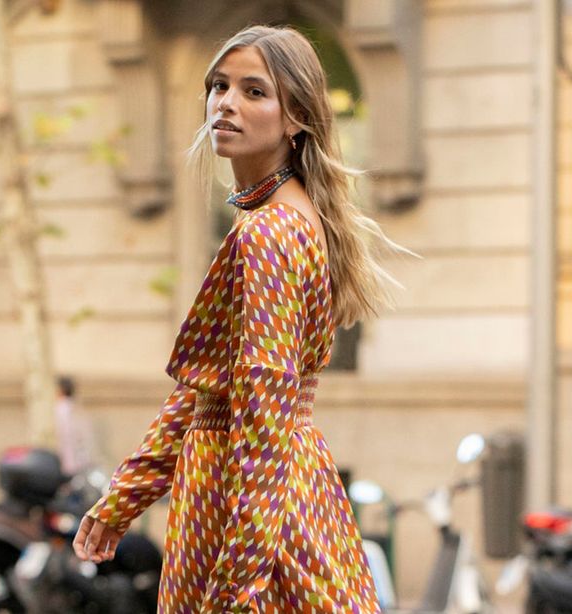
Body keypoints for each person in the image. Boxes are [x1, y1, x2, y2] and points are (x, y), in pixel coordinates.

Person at [73, 24, 407, 613]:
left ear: (296, 116)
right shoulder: (277, 218)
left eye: (254, 91)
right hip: (263, 490)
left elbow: (263, 410)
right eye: (218, 86)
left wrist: (236, 583)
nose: (225, 103)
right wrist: (125, 496)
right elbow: (206, 392)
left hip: (249, 498)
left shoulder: (272, 232)